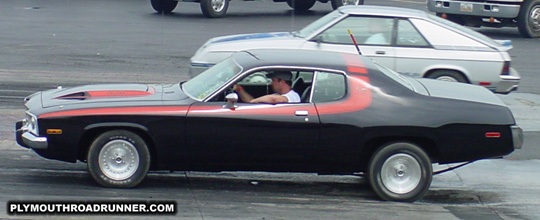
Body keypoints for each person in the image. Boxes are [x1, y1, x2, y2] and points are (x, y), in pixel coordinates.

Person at [233, 71, 300, 103]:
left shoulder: (292, 96)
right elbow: (250, 101)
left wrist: (253, 101)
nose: (271, 83)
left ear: (282, 82)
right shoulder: (278, 95)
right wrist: (239, 89)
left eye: (274, 80)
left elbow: (274, 99)